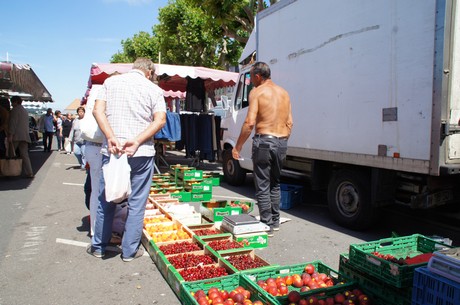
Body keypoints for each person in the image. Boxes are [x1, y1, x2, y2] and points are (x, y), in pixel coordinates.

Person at [89, 57, 166, 261]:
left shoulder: (110, 82)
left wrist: (111, 137)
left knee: (107, 200)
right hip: (141, 153)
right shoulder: (154, 90)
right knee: (137, 203)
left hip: (113, 151)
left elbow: (97, 110)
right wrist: (138, 140)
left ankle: (98, 247)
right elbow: (160, 120)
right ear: (149, 72)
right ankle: (129, 251)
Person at [231, 62, 293, 237]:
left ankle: (266, 224)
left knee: (263, 184)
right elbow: (290, 123)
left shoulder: (257, 92)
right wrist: (281, 140)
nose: (250, 81)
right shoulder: (284, 93)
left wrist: (238, 146)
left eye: (251, 77)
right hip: (281, 141)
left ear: (258, 76)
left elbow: (250, 122)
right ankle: (275, 220)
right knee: (275, 182)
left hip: (264, 140)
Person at [7, 96, 34, 178]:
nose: (11, 104)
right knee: (24, 155)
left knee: (11, 153)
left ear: (15, 102)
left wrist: (10, 134)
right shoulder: (25, 111)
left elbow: (13, 123)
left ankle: (9, 171)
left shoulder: (15, 110)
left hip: (16, 135)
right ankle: (29, 172)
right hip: (25, 135)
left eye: (12, 102)